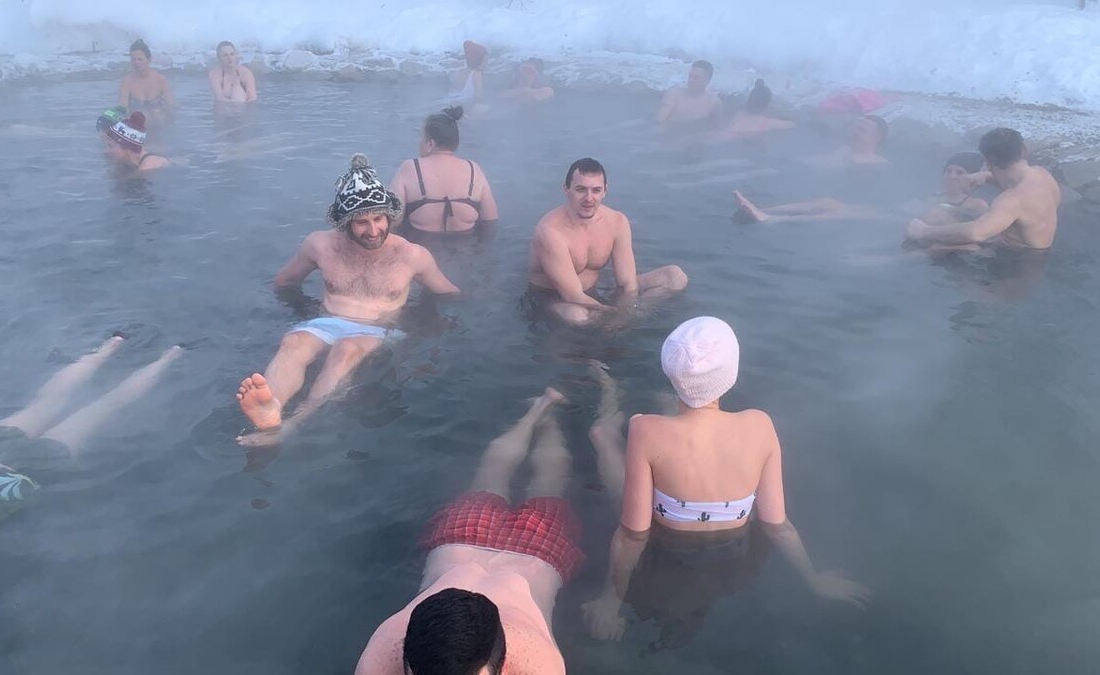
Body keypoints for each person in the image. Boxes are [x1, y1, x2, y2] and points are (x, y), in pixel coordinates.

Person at [579, 318, 869, 647]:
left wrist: (610, 601)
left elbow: (633, 535)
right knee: (665, 432)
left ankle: (610, 393)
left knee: (605, 434)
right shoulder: (760, 425)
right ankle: (666, 407)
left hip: (664, 549)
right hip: (730, 557)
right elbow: (777, 525)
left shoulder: (644, 430)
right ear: (731, 374)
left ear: (670, 370)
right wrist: (814, 579)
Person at [0, 336, 183, 611]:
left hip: (9, 479)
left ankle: (170, 357)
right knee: (43, 404)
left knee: (104, 407)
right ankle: (113, 344)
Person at [234, 154, 460, 446]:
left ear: (388, 216)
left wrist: (427, 327)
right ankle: (271, 407)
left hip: (377, 329)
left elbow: (448, 293)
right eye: (362, 222)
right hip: (325, 322)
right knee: (294, 342)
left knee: (346, 350)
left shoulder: (412, 256)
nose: (373, 230)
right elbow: (284, 282)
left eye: (378, 219)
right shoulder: (320, 245)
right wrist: (300, 309)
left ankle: (293, 423)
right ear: (345, 222)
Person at [355, 388, 576, 674]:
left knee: (525, 480)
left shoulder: (538, 666)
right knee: (527, 480)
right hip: (476, 542)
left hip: (526, 550)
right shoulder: (384, 652)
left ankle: (542, 414)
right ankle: (542, 412)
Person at [526, 158, 688, 325]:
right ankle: (617, 325)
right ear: (566, 189)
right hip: (554, 299)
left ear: (605, 191)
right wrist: (614, 315)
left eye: (596, 190)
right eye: (581, 189)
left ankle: (632, 318)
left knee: (674, 277)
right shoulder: (550, 232)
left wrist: (624, 314)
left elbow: (628, 284)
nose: (589, 198)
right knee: (578, 315)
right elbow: (573, 296)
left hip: (595, 291)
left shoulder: (617, 222)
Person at [732, 151, 987, 225]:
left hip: (894, 221)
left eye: (959, 173)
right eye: (949, 171)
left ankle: (772, 220)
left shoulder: (976, 205)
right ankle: (766, 208)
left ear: (972, 176)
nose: (952, 176)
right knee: (827, 201)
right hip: (891, 212)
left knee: (839, 213)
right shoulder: (934, 193)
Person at [906, 128, 1061, 250]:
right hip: (1036, 254)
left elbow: (976, 233)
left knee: (937, 239)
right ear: (1023, 150)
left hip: (1016, 263)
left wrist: (924, 231)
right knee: (938, 219)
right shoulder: (1042, 175)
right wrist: (987, 176)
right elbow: (1023, 195)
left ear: (987, 161)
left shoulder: (1011, 200)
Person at [388, 106, 499, 235]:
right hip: (468, 245)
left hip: (420, 244)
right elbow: (491, 220)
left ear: (430, 144)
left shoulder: (410, 168)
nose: (419, 143)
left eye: (421, 138)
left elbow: (392, 221)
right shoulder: (474, 169)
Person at [702, 79, 794, 143]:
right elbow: (792, 124)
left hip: (718, 137)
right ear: (766, 106)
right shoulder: (767, 123)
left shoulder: (738, 114)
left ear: (749, 101)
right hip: (731, 140)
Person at [118, 39, 175, 121]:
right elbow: (122, 108)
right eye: (133, 59)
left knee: (157, 114)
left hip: (159, 121)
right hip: (137, 123)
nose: (136, 63)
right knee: (143, 114)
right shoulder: (127, 82)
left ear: (149, 60)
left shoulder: (161, 80)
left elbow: (171, 106)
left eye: (140, 59)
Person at [101, 111, 171, 172]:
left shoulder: (147, 167)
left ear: (127, 149)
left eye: (110, 146)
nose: (106, 151)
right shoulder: (126, 160)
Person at [809, 114, 889, 167]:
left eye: (862, 130)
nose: (855, 132)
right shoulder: (845, 150)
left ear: (877, 138)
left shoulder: (877, 164)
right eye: (856, 128)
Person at [655, 60, 720, 125]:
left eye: (695, 77)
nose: (690, 80)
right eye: (690, 76)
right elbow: (659, 121)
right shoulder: (674, 94)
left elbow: (719, 127)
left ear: (707, 80)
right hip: (672, 129)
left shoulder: (714, 102)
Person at [448, 40, 488, 108]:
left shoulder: (460, 71)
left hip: (450, 102)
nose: (486, 64)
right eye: (485, 61)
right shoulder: (477, 74)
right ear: (477, 61)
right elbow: (478, 97)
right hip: (461, 105)